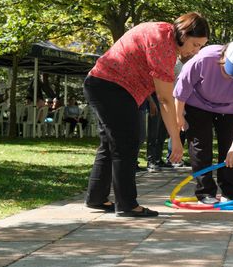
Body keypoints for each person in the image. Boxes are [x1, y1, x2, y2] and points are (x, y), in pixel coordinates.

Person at [83, 12, 209, 217]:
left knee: (110, 142)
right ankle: (127, 205)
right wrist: (176, 140)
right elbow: (165, 99)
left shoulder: (162, 31)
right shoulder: (164, 46)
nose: (196, 51)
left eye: (201, 47)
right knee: (127, 142)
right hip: (111, 87)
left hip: (104, 84)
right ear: (184, 35)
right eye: (196, 45)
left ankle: (96, 197)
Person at [174, 38, 233, 204]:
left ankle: (230, 191)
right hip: (197, 104)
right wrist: (179, 117)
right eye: (230, 70)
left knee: (232, 149)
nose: (232, 76)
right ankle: (205, 192)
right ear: (224, 57)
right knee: (200, 146)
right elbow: (181, 90)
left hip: (230, 109)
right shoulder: (203, 59)